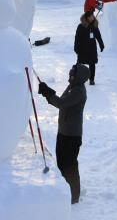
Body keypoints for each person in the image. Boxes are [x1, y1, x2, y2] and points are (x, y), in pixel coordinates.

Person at [37, 65, 89, 204]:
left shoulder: (79, 91)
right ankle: (65, 192)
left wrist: (47, 93)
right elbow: (60, 100)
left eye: (72, 73)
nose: (70, 74)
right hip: (63, 132)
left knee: (70, 165)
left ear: (78, 76)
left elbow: (62, 103)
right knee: (61, 163)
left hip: (72, 136)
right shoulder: (72, 86)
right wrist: (48, 91)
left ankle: (74, 196)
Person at [74, 11, 105, 85]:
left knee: (92, 64)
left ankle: (91, 79)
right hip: (83, 48)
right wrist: (76, 48)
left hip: (92, 49)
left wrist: (101, 44)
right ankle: (77, 77)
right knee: (79, 64)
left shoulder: (94, 25)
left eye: (93, 16)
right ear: (87, 18)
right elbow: (77, 38)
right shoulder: (81, 26)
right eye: (91, 16)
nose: (93, 17)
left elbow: (98, 36)